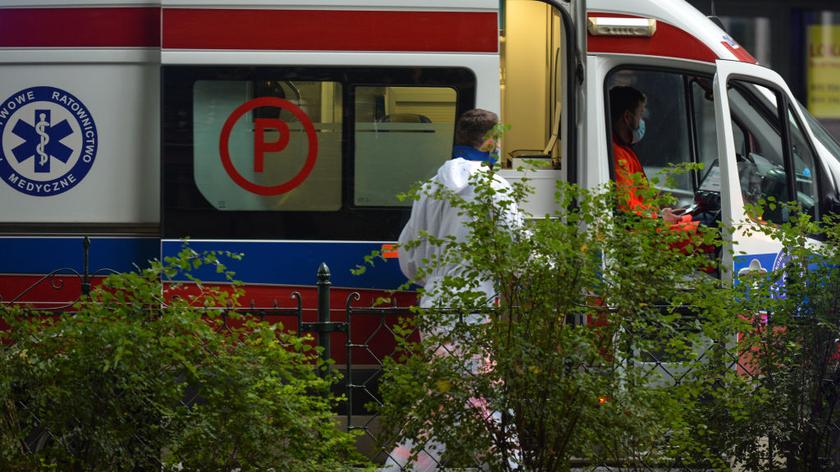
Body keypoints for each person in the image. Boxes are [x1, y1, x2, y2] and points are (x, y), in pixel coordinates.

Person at [383, 109, 521, 471]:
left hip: (436, 301)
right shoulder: (494, 187)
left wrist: (434, 280)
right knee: (462, 397)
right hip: (474, 303)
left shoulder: (430, 187)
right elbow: (517, 249)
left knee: (461, 395)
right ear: (491, 141)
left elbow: (409, 256)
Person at [610, 85, 683, 224]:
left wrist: (659, 214)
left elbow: (636, 203)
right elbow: (626, 209)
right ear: (627, 117)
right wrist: (660, 219)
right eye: (640, 114)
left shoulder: (622, 149)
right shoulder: (616, 154)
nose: (642, 121)